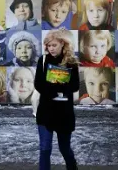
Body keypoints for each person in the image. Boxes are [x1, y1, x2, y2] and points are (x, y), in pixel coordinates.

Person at [35, 28, 79, 170]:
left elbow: (75, 86)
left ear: (62, 44)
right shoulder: (42, 60)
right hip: (45, 112)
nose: (51, 48)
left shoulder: (71, 62)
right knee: (45, 148)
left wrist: (61, 85)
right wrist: (54, 87)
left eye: (54, 45)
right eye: (48, 45)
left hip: (64, 113)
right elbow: (38, 84)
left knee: (64, 149)